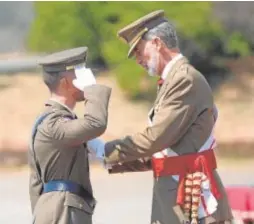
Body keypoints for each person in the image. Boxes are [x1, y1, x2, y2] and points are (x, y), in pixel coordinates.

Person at [91, 10, 233, 224]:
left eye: (139, 51)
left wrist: (105, 150)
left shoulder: (184, 80)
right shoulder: (173, 81)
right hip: (178, 200)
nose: (138, 60)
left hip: (191, 202)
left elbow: (156, 139)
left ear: (157, 43)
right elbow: (165, 154)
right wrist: (107, 160)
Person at [28, 46, 112, 224]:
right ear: (66, 83)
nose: (85, 79)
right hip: (62, 211)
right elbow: (95, 123)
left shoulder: (49, 120)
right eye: (79, 75)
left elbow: (35, 183)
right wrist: (92, 88)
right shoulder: (53, 123)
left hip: (57, 209)